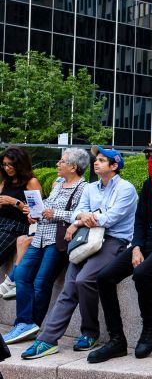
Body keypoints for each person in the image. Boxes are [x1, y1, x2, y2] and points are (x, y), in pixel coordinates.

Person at [21, 146, 138, 359]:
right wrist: (82, 218)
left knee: (84, 280)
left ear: (114, 166)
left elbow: (112, 217)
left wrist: (85, 218)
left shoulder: (126, 188)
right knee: (69, 286)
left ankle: (90, 332)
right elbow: (77, 213)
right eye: (97, 159)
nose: (96, 162)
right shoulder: (91, 188)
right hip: (87, 238)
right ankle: (46, 340)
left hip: (114, 241)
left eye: (102, 160)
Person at [88, 140, 152, 363]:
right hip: (146, 243)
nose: (151, 161)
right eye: (148, 157)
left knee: (141, 274)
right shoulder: (148, 185)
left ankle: (150, 322)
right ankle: (117, 340)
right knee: (105, 277)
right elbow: (140, 221)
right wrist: (135, 246)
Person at [2, 148, 90, 345]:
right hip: (40, 235)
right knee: (22, 275)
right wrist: (34, 212)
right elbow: (47, 204)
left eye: (62, 161)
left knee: (42, 282)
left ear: (73, 167)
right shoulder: (58, 182)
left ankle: (34, 323)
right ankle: (23, 323)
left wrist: (54, 213)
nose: (58, 164)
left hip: (58, 241)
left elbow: (80, 214)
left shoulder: (84, 188)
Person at [0, 147, 42, 298]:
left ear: (20, 163)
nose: (7, 168)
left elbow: (37, 212)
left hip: (16, 227)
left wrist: (15, 202)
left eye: (10, 164)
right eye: (4, 164)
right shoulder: (6, 181)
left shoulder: (31, 182)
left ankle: (11, 281)